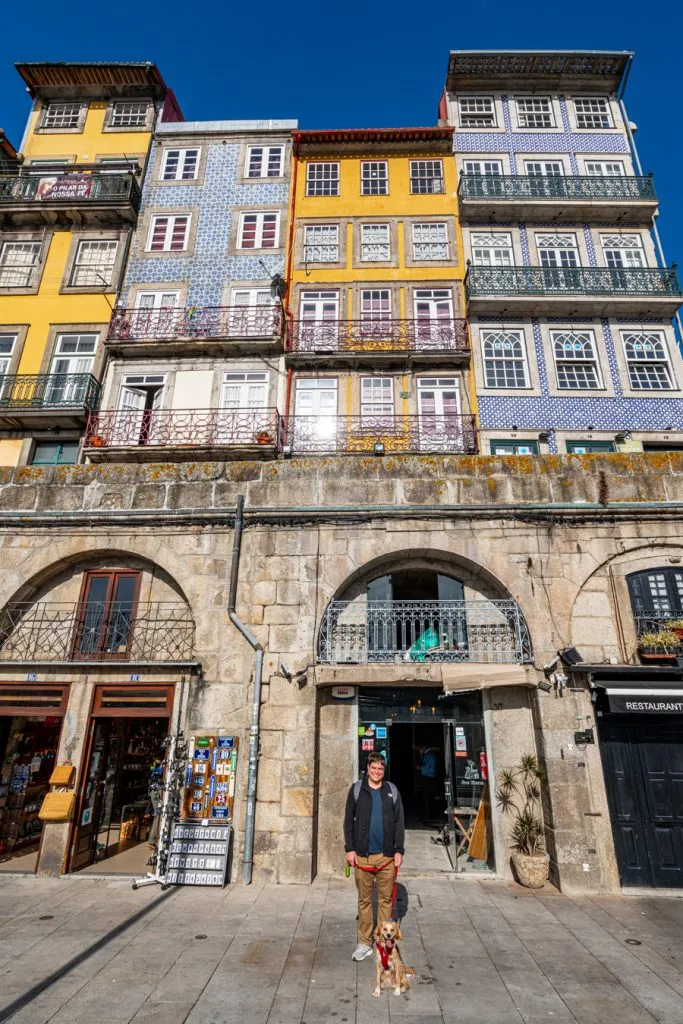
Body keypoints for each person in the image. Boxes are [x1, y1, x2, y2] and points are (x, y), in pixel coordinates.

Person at [344, 752, 405, 962]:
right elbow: (348, 822)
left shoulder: (392, 791)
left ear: (383, 770)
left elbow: (399, 823)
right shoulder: (358, 790)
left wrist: (399, 851)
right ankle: (364, 942)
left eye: (380, 768)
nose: (377, 772)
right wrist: (349, 849)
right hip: (363, 856)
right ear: (367, 769)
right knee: (364, 900)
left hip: (387, 855)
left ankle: (382, 941)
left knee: (386, 900)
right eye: (373, 768)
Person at [415, 743, 438, 822]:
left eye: (420, 749)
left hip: (429, 778)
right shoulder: (427, 754)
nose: (419, 750)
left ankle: (429, 815)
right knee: (427, 796)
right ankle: (428, 814)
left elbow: (426, 766)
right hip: (427, 777)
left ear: (423, 747)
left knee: (428, 797)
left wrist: (419, 767)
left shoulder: (429, 755)